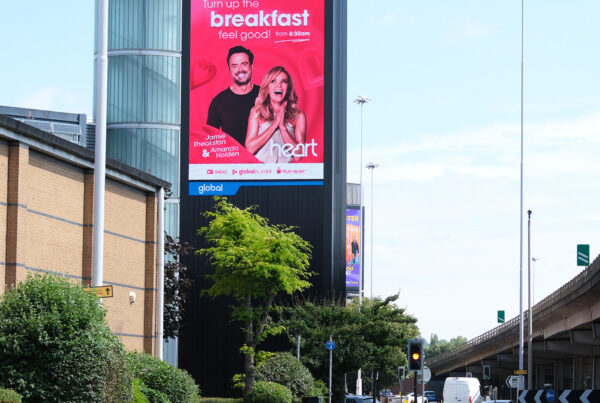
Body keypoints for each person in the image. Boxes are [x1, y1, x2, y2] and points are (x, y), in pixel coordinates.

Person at [245, 66, 306, 163]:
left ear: (288, 87)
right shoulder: (256, 112)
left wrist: (282, 127)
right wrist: (275, 124)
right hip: (260, 173)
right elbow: (250, 149)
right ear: (267, 87)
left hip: (285, 174)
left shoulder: (299, 116)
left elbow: (298, 155)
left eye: (283, 82)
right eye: (273, 81)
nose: (279, 85)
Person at [207, 45, 260, 145]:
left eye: (244, 64)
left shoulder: (266, 95)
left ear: (251, 66)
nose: (240, 69)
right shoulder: (218, 102)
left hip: (264, 159)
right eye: (234, 66)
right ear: (229, 69)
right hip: (232, 159)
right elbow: (211, 141)